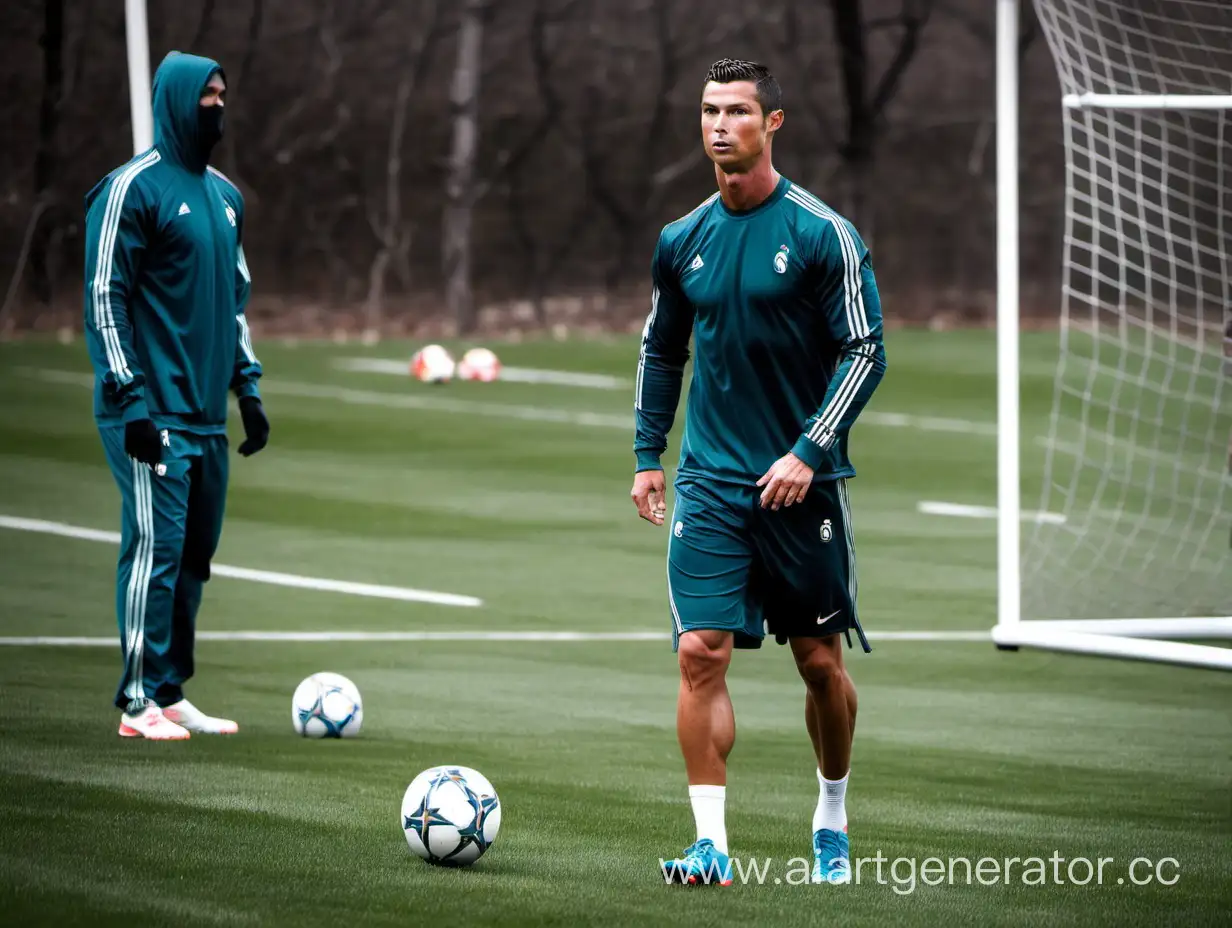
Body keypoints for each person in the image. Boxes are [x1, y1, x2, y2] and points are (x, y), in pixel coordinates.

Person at [631, 58, 886, 885]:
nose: (718, 125)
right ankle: (711, 844)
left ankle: (832, 819)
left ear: (772, 124)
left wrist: (809, 451)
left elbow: (866, 350)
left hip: (803, 488)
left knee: (819, 664)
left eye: (737, 111)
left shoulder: (822, 233)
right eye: (708, 110)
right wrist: (648, 455)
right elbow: (662, 349)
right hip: (709, 484)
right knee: (700, 653)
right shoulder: (682, 239)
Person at [82, 51, 269, 741]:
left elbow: (235, 302)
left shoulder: (225, 197)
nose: (217, 106)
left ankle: (169, 687)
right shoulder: (131, 189)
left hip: (205, 412)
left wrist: (246, 387)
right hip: (149, 409)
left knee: (194, 556)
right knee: (155, 550)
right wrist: (128, 398)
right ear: (178, 100)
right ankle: (136, 701)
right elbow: (106, 298)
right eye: (206, 96)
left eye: (223, 94)